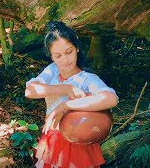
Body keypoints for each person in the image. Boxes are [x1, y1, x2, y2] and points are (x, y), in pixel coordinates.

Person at [25, 21, 118, 168]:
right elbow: (30, 91)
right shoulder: (52, 70)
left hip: (77, 144)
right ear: (51, 56)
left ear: (77, 48)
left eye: (69, 52)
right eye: (58, 55)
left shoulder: (86, 79)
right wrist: (66, 89)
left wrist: (65, 105)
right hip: (52, 139)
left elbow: (110, 99)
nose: (65, 59)